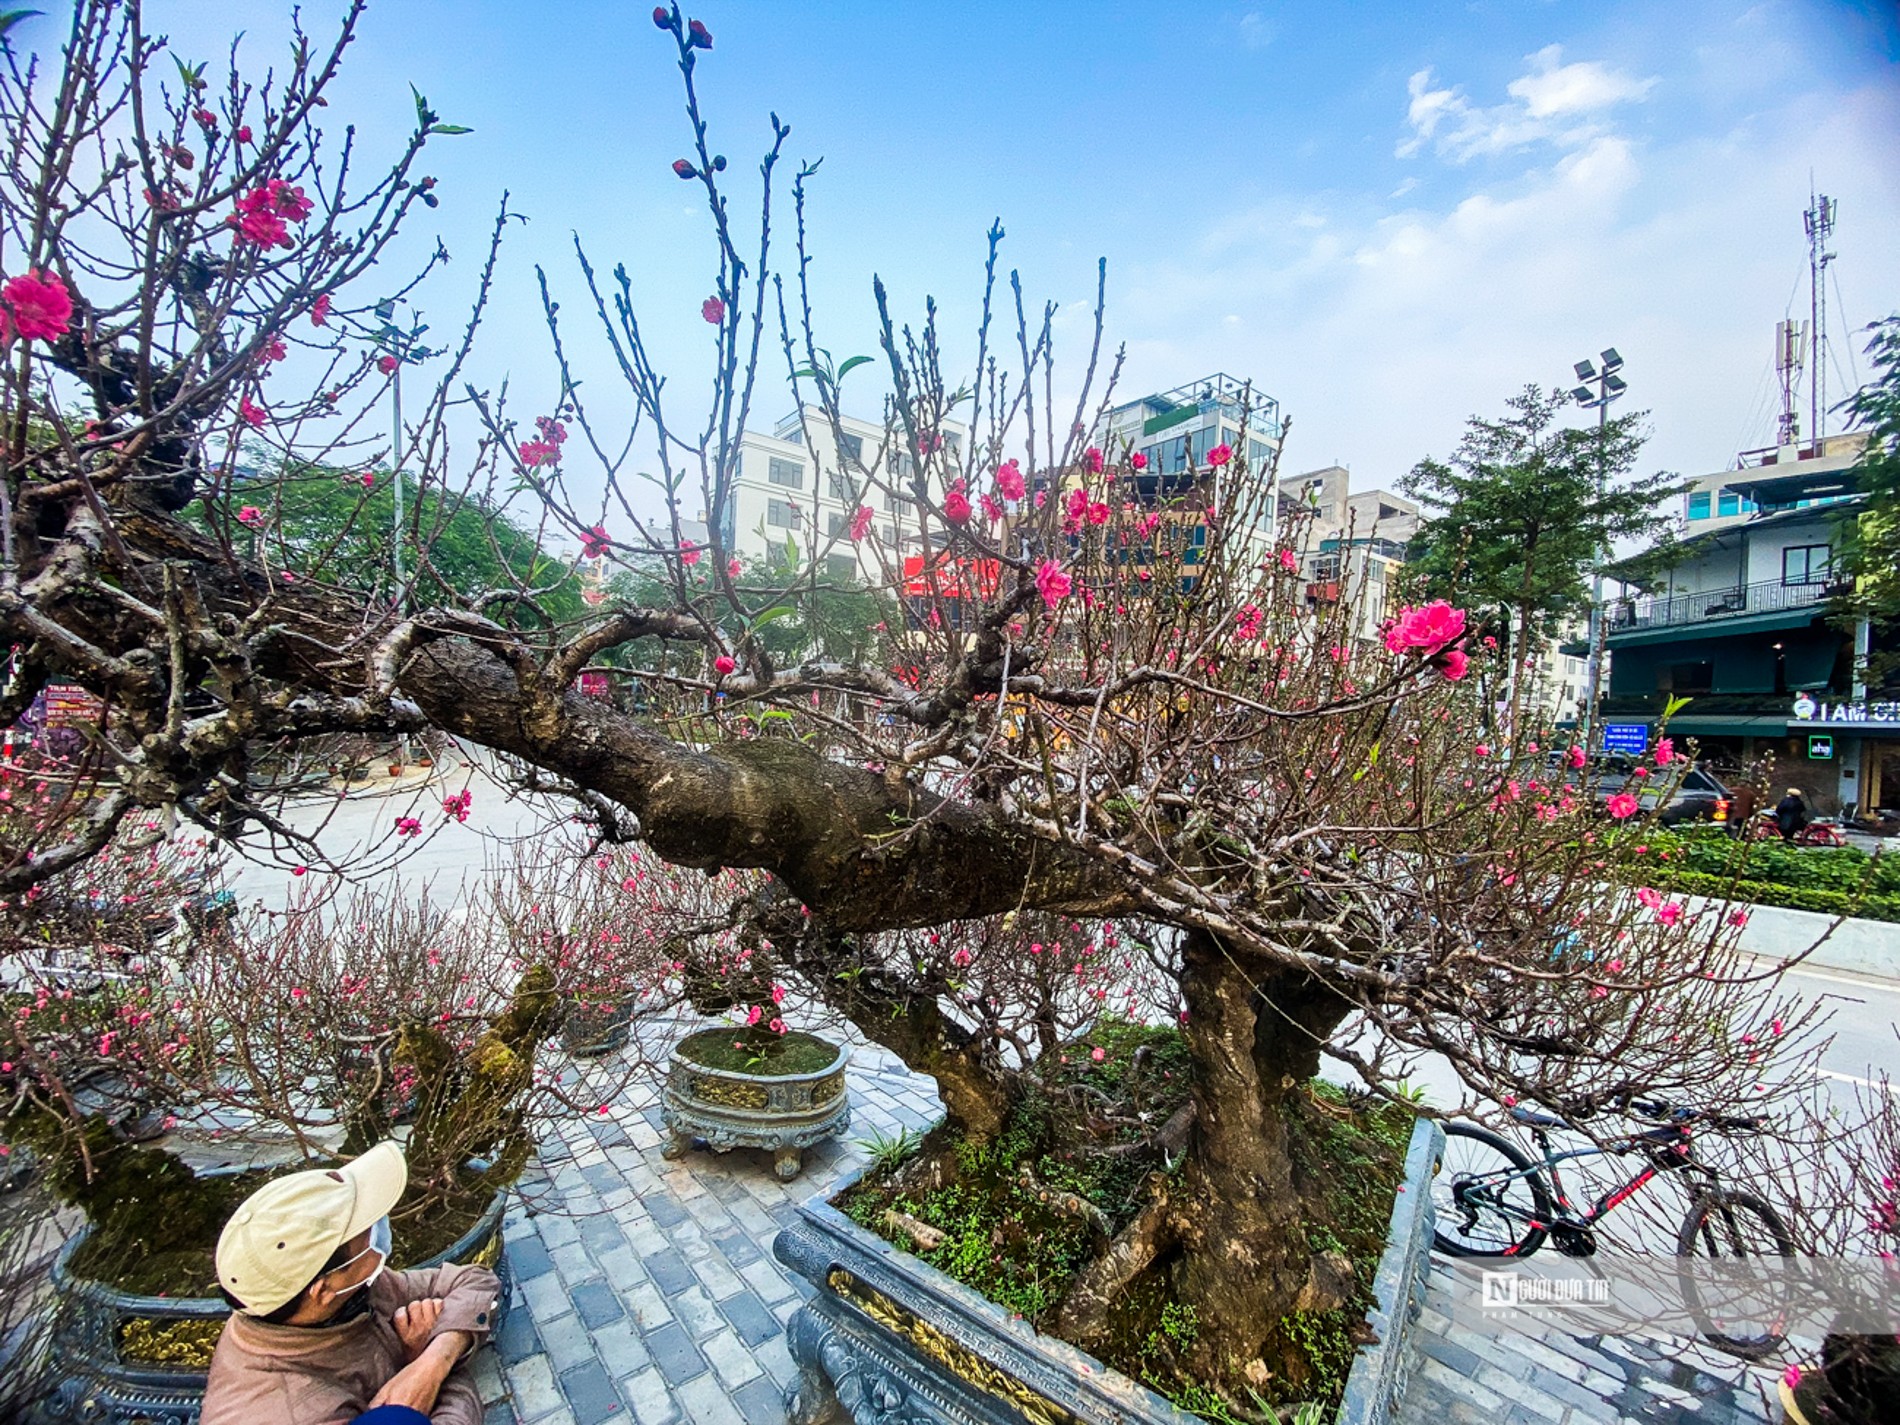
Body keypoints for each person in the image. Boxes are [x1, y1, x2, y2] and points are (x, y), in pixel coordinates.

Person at [203, 1141, 500, 1425]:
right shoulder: (297, 1409)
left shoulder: (347, 1291)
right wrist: (425, 1370)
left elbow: (475, 1280)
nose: (379, 1231)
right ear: (322, 1290)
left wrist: (434, 1360)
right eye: (368, 1233)